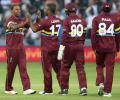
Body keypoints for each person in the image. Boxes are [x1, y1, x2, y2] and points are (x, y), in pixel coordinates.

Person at [30, 3, 62, 94]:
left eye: (45, 8)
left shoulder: (46, 21)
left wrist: (29, 21)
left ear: (48, 10)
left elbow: (34, 29)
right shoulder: (59, 20)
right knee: (59, 69)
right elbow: (44, 25)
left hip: (47, 49)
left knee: (47, 69)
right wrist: (39, 19)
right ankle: (64, 88)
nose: (44, 9)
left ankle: (48, 90)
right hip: (57, 48)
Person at [5, 4, 36, 95]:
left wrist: (35, 19)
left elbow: (32, 27)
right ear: (12, 11)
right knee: (11, 69)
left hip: (21, 48)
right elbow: (13, 27)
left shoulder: (21, 20)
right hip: (12, 48)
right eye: (16, 9)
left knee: (23, 68)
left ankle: (26, 88)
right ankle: (8, 88)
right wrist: (25, 22)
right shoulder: (9, 20)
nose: (18, 11)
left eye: (19, 9)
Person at [58, 3, 87, 96]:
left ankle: (64, 89)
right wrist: (81, 44)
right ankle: (83, 88)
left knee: (65, 67)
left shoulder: (66, 20)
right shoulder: (83, 20)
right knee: (80, 68)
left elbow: (65, 36)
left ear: (67, 11)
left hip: (70, 46)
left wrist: (61, 49)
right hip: (80, 46)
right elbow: (84, 35)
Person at [91, 2, 119, 97]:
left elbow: (93, 35)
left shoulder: (96, 19)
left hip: (100, 47)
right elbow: (118, 35)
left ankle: (100, 82)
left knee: (99, 65)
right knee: (110, 69)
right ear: (111, 9)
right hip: (111, 48)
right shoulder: (116, 19)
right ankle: (107, 92)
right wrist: (118, 48)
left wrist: (94, 47)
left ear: (101, 9)